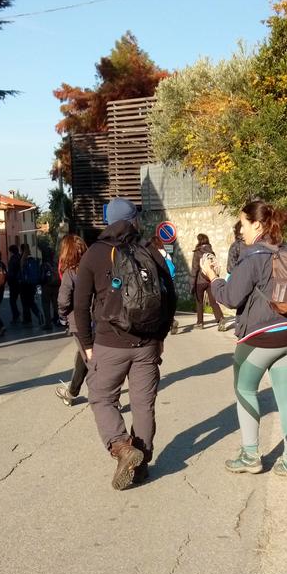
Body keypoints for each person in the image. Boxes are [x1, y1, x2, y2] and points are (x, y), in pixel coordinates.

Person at [201, 199, 287, 481]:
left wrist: (213, 277)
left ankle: (250, 455)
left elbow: (229, 297)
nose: (241, 231)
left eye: (244, 224)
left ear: (257, 224)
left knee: (245, 389)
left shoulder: (252, 256)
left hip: (260, 337)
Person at [74, 197, 176, 488]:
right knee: (144, 405)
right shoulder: (150, 252)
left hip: (110, 342)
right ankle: (142, 464)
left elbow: (80, 305)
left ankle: (121, 446)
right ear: (134, 221)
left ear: (109, 222)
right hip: (146, 343)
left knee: (102, 397)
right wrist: (161, 336)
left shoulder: (94, 253)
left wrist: (87, 343)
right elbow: (167, 296)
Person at [55, 233, 89, 406]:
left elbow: (63, 300)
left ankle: (110, 400)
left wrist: (62, 317)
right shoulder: (93, 268)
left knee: (91, 360)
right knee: (84, 355)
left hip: (79, 322)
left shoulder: (70, 272)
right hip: (97, 318)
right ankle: (72, 392)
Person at [191, 233, 226, 329]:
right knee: (213, 301)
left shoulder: (197, 252)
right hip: (210, 280)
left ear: (199, 241)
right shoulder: (212, 252)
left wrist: (192, 284)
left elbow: (195, 269)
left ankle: (200, 323)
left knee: (199, 302)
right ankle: (221, 319)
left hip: (200, 281)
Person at [149, 235, 179, 335]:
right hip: (170, 280)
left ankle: (162, 324)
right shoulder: (166, 254)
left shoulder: (153, 254)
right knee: (169, 303)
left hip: (159, 282)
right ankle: (172, 320)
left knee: (160, 304)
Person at [19, 241, 44, 326]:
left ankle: (28, 320)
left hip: (24, 284)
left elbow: (21, 269)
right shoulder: (33, 260)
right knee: (31, 301)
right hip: (32, 284)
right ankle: (38, 314)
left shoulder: (23, 260)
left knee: (25, 302)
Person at [39, 243, 60, 331]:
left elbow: (41, 277)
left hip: (46, 286)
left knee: (46, 304)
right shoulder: (55, 263)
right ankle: (60, 320)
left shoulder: (43, 264)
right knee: (56, 305)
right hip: (56, 286)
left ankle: (48, 323)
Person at [7, 243, 22, 323]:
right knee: (24, 300)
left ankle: (16, 316)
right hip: (21, 281)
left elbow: (11, 272)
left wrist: (9, 280)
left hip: (14, 283)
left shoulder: (13, 259)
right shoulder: (20, 257)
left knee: (12, 301)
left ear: (11, 251)